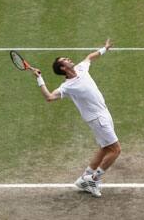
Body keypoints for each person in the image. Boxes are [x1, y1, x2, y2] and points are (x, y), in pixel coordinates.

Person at [30, 39, 121, 198]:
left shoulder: (81, 67)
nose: (68, 59)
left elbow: (90, 57)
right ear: (63, 68)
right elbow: (50, 97)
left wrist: (104, 49)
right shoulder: (67, 86)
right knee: (115, 150)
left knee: (105, 148)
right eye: (65, 60)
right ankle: (93, 179)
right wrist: (39, 79)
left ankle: (84, 178)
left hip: (103, 113)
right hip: (97, 119)